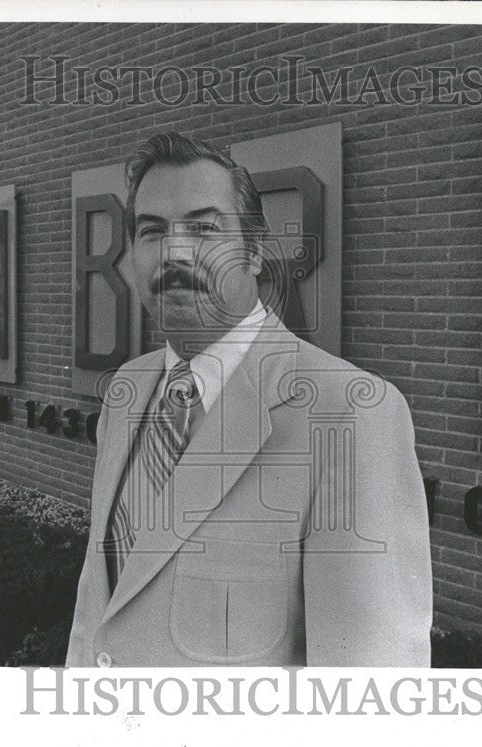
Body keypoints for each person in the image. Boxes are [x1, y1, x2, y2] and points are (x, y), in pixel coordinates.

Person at [66, 132, 432, 667]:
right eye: (152, 231)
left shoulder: (349, 412)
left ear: (256, 251)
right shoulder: (127, 393)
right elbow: (99, 611)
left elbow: (368, 693)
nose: (175, 252)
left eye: (204, 228)